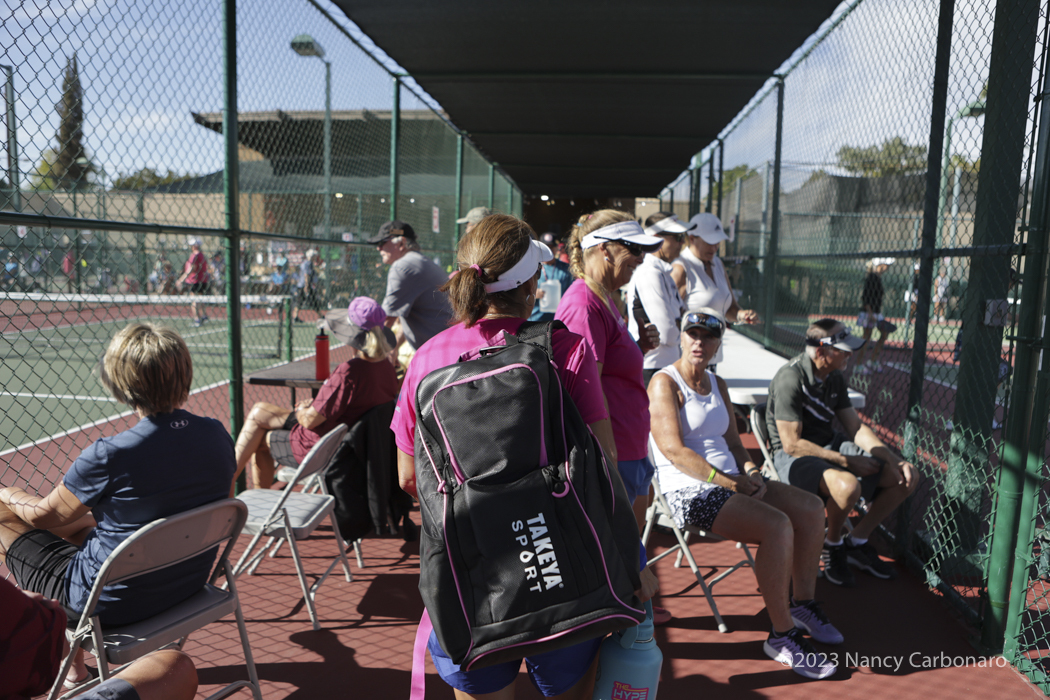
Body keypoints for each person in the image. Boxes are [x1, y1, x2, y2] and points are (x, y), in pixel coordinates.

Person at [391, 213, 656, 700]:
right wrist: (631, 559)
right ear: (533, 284)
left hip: (471, 581)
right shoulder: (564, 346)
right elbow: (604, 460)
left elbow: (410, 477)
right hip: (565, 570)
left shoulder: (425, 358)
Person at [0, 323, 234, 687]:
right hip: (186, 583)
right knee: (84, 528)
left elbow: (42, 516)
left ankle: (62, 657)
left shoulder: (109, 455)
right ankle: (75, 669)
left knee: (4, 518)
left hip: (108, 605)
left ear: (120, 382)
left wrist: (7, 493)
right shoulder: (217, 434)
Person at [649, 308, 839, 679]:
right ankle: (781, 635)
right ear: (681, 337)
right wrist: (730, 482)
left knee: (812, 508)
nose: (700, 342)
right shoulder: (664, 383)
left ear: (718, 343)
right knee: (778, 526)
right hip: (689, 492)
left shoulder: (717, 384)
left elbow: (735, 444)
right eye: (693, 334)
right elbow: (674, 451)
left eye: (709, 336)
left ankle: (802, 604)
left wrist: (751, 472)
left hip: (734, 480)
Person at [554, 211, 673, 625]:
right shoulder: (583, 305)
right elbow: (584, 390)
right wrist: (605, 459)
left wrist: (638, 345)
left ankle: (627, 614)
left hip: (629, 445)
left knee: (628, 548)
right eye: (634, 249)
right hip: (613, 452)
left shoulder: (607, 297)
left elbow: (608, 370)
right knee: (616, 550)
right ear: (604, 249)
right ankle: (618, 623)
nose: (641, 258)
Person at [766, 318, 919, 587]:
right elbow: (791, 444)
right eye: (843, 350)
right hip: (793, 458)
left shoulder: (834, 376)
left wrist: (894, 459)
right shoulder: (790, 379)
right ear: (821, 351)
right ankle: (832, 543)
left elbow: (855, 428)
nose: (850, 354)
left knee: (905, 477)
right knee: (848, 486)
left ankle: (856, 541)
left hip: (829, 445)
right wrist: (847, 461)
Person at [232, 296, 398, 490]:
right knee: (259, 411)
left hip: (322, 449)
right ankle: (232, 484)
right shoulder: (387, 367)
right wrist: (315, 405)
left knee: (259, 439)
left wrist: (302, 409)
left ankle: (232, 487)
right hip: (354, 442)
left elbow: (310, 421)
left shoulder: (349, 372)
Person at [0, 578, 199, 700]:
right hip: (185, 586)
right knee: (177, 666)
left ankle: (75, 670)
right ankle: (75, 669)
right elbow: (50, 649)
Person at [368, 220, 453, 364]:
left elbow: (385, 320)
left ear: (401, 243)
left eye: (382, 242)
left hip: (440, 356)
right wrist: (395, 348)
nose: (378, 248)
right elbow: (408, 315)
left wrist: (369, 358)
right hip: (446, 348)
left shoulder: (402, 266)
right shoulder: (419, 261)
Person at [626, 212, 693, 385]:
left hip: (664, 365)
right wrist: (680, 325)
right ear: (656, 238)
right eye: (678, 237)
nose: (682, 242)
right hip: (652, 368)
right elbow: (667, 333)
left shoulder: (663, 272)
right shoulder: (649, 273)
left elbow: (682, 318)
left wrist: (679, 322)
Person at [671, 212, 757, 325]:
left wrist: (742, 315)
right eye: (709, 242)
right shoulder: (680, 268)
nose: (714, 248)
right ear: (692, 239)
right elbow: (671, 317)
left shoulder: (718, 263)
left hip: (717, 336)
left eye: (717, 242)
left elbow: (729, 308)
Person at [854, 257, 894, 374]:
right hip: (869, 312)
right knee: (866, 337)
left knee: (884, 333)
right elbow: (866, 297)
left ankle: (872, 360)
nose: (888, 267)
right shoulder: (871, 277)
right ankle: (858, 365)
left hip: (876, 312)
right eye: (886, 265)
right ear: (880, 265)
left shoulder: (878, 278)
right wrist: (870, 313)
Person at [529, 232, 573, 322]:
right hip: (536, 319)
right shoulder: (531, 267)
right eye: (545, 247)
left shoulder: (566, 269)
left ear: (557, 248)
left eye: (551, 247)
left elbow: (573, 294)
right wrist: (533, 294)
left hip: (559, 319)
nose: (548, 250)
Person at [176, 237, 209, 327]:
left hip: (194, 280)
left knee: (194, 300)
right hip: (203, 280)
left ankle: (197, 319)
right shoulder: (202, 255)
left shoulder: (194, 255)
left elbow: (192, 269)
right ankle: (204, 316)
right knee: (201, 299)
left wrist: (181, 279)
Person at [293, 248, 321, 323]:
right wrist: (306, 286)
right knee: (300, 301)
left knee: (310, 300)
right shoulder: (308, 264)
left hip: (305, 285)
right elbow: (306, 275)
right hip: (304, 285)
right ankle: (295, 316)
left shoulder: (308, 263)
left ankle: (320, 315)